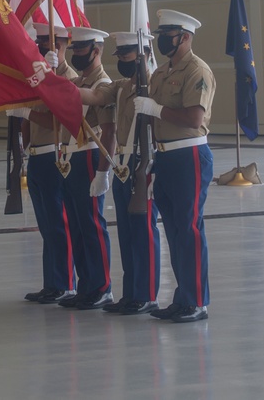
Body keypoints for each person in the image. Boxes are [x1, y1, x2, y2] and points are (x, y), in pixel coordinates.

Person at [134, 10, 215, 323]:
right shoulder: (161, 73)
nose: (163, 39)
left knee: (189, 229)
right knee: (173, 229)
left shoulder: (197, 70)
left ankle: (196, 301)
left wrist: (157, 108)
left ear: (185, 37)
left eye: (169, 34)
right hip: (164, 157)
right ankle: (183, 297)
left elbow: (194, 118)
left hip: (189, 157)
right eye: (161, 33)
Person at [79, 32, 161, 315]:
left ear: (143, 56)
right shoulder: (123, 87)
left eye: (127, 57)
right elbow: (93, 95)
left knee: (144, 231)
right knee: (127, 233)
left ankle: (147, 295)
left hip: (144, 162)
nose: (122, 62)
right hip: (123, 165)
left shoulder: (156, 86)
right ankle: (132, 293)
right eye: (121, 57)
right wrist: (53, 81)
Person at [39, 26, 114, 310]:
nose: (78, 56)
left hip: (89, 157)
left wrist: (103, 170)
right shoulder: (83, 79)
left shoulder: (102, 82)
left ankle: (102, 287)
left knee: (92, 225)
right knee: (79, 227)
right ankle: (86, 286)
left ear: (96, 51)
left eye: (82, 51)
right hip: (72, 157)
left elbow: (107, 126)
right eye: (75, 51)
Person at [15, 23, 82, 305]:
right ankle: (52, 282)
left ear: (65, 45)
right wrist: (23, 148)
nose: (47, 48)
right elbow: (29, 119)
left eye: (53, 43)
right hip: (38, 157)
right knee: (45, 225)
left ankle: (66, 283)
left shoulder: (70, 79)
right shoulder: (38, 76)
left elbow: (59, 120)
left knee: (59, 223)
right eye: (42, 43)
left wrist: (28, 112)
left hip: (57, 156)